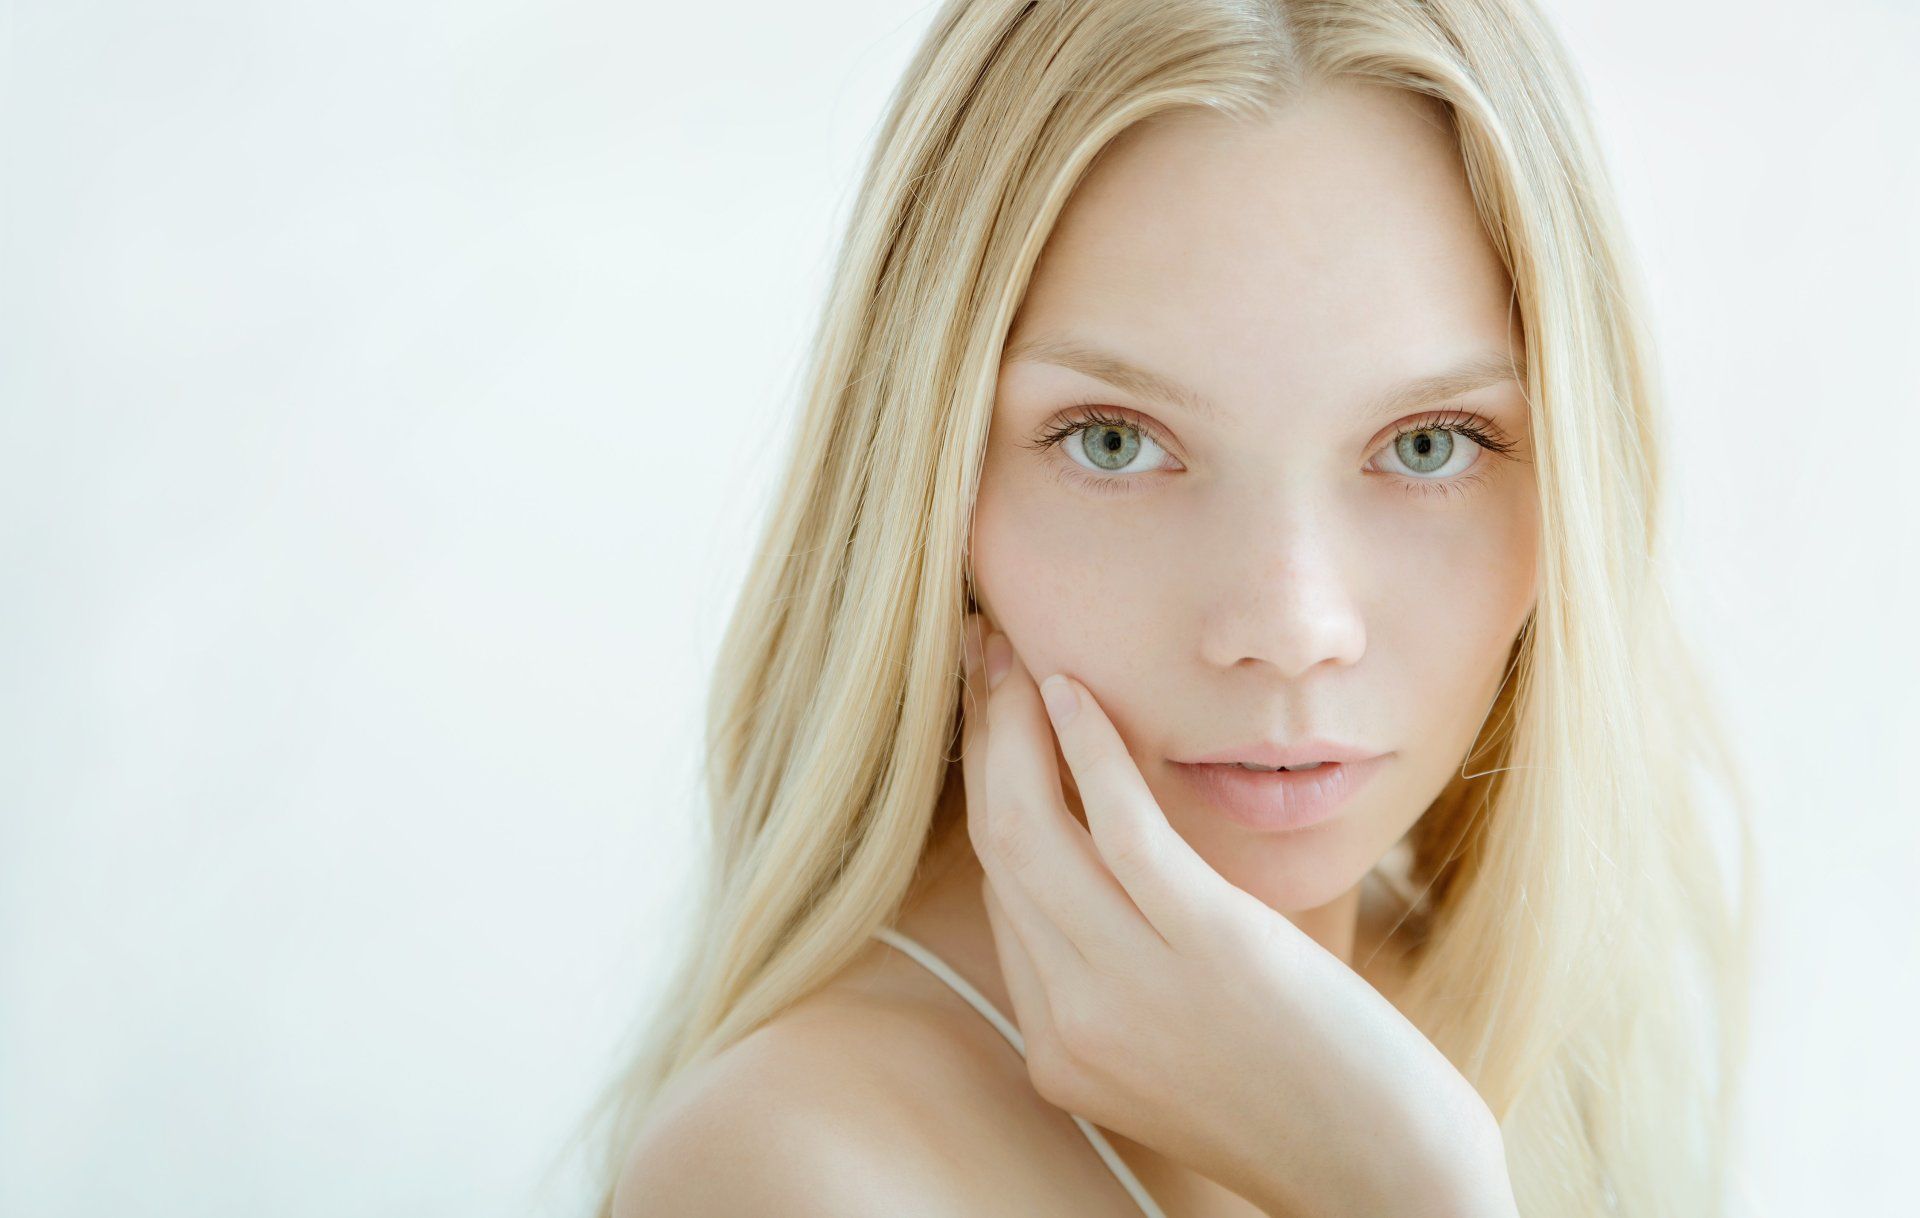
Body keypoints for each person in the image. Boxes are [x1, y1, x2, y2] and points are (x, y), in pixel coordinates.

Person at [568, 1, 1754, 1214]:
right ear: (931, 483)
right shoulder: (795, 1171)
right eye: (1116, 442)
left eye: (1430, 443)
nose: (1291, 629)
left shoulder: (1539, 1016)